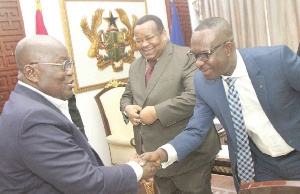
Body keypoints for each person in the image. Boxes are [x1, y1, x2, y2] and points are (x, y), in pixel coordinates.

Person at [139, 17, 300, 192]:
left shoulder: (276, 60)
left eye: (204, 55)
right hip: (265, 165)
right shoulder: (202, 82)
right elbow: (196, 130)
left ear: (228, 48)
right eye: (194, 55)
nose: (198, 63)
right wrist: (161, 154)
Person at [0, 35, 160, 193]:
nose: (70, 71)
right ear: (31, 72)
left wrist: (127, 169)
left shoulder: (26, 104)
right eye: (63, 64)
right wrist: (136, 169)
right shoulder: (33, 118)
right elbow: (86, 182)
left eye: (70, 63)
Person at [120, 15, 220, 193]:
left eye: (149, 38)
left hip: (189, 157)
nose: (144, 44)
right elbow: (127, 96)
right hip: (154, 158)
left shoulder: (187, 57)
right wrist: (127, 108)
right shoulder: (135, 66)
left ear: (164, 34)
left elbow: (195, 96)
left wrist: (158, 112)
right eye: (139, 40)